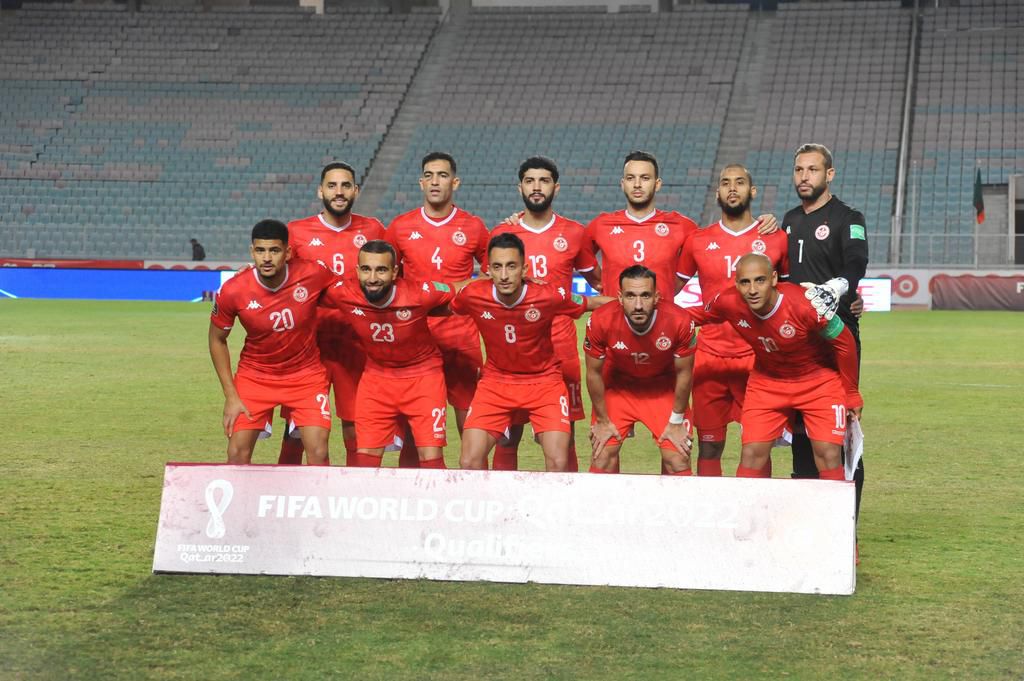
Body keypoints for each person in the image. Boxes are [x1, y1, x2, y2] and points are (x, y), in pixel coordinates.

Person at [690, 253, 863, 480]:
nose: (752, 290)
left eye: (760, 280)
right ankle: (750, 505)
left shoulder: (805, 305)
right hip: (767, 382)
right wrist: (659, 315)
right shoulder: (728, 301)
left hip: (818, 381)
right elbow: (696, 315)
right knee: (752, 454)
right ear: (736, 284)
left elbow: (845, 342)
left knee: (828, 454)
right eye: (745, 282)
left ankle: (834, 505)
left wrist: (851, 393)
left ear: (773, 278)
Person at [453, 233, 611, 472]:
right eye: (497, 267)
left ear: (524, 269)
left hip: (544, 382)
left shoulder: (547, 295)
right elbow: (440, 303)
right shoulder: (473, 294)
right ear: (488, 270)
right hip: (496, 382)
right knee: (468, 462)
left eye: (511, 266)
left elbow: (591, 303)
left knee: (558, 462)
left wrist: (630, 303)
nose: (504, 275)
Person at [487, 156, 602, 472]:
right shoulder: (503, 233)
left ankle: (564, 498)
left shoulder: (574, 233)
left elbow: (598, 281)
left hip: (560, 350)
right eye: (530, 181)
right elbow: (488, 284)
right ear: (520, 187)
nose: (536, 187)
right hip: (513, 351)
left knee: (564, 438)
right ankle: (504, 499)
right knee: (507, 437)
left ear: (556, 187)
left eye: (544, 181)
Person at [676, 165, 789, 477]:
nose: (732, 188)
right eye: (725, 183)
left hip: (758, 358)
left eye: (740, 182)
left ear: (752, 191)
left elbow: (788, 293)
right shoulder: (698, 240)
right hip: (709, 358)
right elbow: (670, 289)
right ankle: (711, 506)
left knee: (758, 446)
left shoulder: (775, 238)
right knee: (709, 446)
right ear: (718, 193)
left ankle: (754, 506)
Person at [279, 162, 386, 466]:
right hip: (309, 347)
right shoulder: (296, 231)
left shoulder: (374, 229)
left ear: (356, 190)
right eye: (332, 185)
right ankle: (288, 489)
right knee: (297, 430)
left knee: (355, 427)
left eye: (345, 185)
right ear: (320, 191)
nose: (339, 192)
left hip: (356, 344)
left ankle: (352, 489)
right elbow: (280, 279)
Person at [386, 152, 489, 468]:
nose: (435, 181)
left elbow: (492, 274)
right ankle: (413, 492)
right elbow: (387, 277)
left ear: (455, 182)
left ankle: (475, 490)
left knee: (471, 425)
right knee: (414, 427)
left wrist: (462, 290)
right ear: (421, 182)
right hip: (415, 339)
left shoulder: (473, 226)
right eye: (429, 175)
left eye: (442, 175)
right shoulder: (400, 227)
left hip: (461, 338)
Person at [208, 220, 338, 465]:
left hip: (305, 376)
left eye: (274, 250)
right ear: (252, 252)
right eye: (260, 250)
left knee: (319, 453)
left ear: (287, 252)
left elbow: (351, 292)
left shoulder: (312, 274)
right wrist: (231, 396)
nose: (267, 258)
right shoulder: (234, 290)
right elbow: (217, 339)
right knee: (236, 453)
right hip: (255, 376)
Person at [782, 144, 869, 509]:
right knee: (801, 435)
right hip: (797, 343)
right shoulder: (788, 220)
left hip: (837, 340)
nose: (805, 177)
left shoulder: (848, 217)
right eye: (799, 170)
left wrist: (840, 287)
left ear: (829, 174)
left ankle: (847, 528)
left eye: (813, 170)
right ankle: (810, 523)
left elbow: (857, 262)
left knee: (841, 435)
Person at [321, 241, 454, 468]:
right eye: (366, 269)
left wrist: (508, 283)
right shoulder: (343, 292)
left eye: (381, 270)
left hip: (423, 378)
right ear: (357, 271)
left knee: (430, 458)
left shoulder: (419, 293)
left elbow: (460, 289)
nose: (372, 278)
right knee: (365, 459)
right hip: (376, 378)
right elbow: (301, 289)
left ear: (394, 272)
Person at [582, 151, 779, 302]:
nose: (637, 184)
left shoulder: (682, 226)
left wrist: (764, 221)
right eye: (631, 178)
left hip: (662, 327)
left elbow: (721, 240)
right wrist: (601, 282)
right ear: (622, 183)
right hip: (614, 323)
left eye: (645, 178)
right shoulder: (601, 225)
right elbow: (581, 257)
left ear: (657, 184)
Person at [584, 266, 698, 475]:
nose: (638, 305)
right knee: (602, 456)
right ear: (620, 298)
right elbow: (593, 373)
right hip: (619, 387)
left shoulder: (680, 320)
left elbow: (684, 373)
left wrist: (676, 422)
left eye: (645, 295)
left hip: (663, 389)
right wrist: (602, 421)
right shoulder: (600, 320)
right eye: (630, 296)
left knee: (678, 459)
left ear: (656, 297)